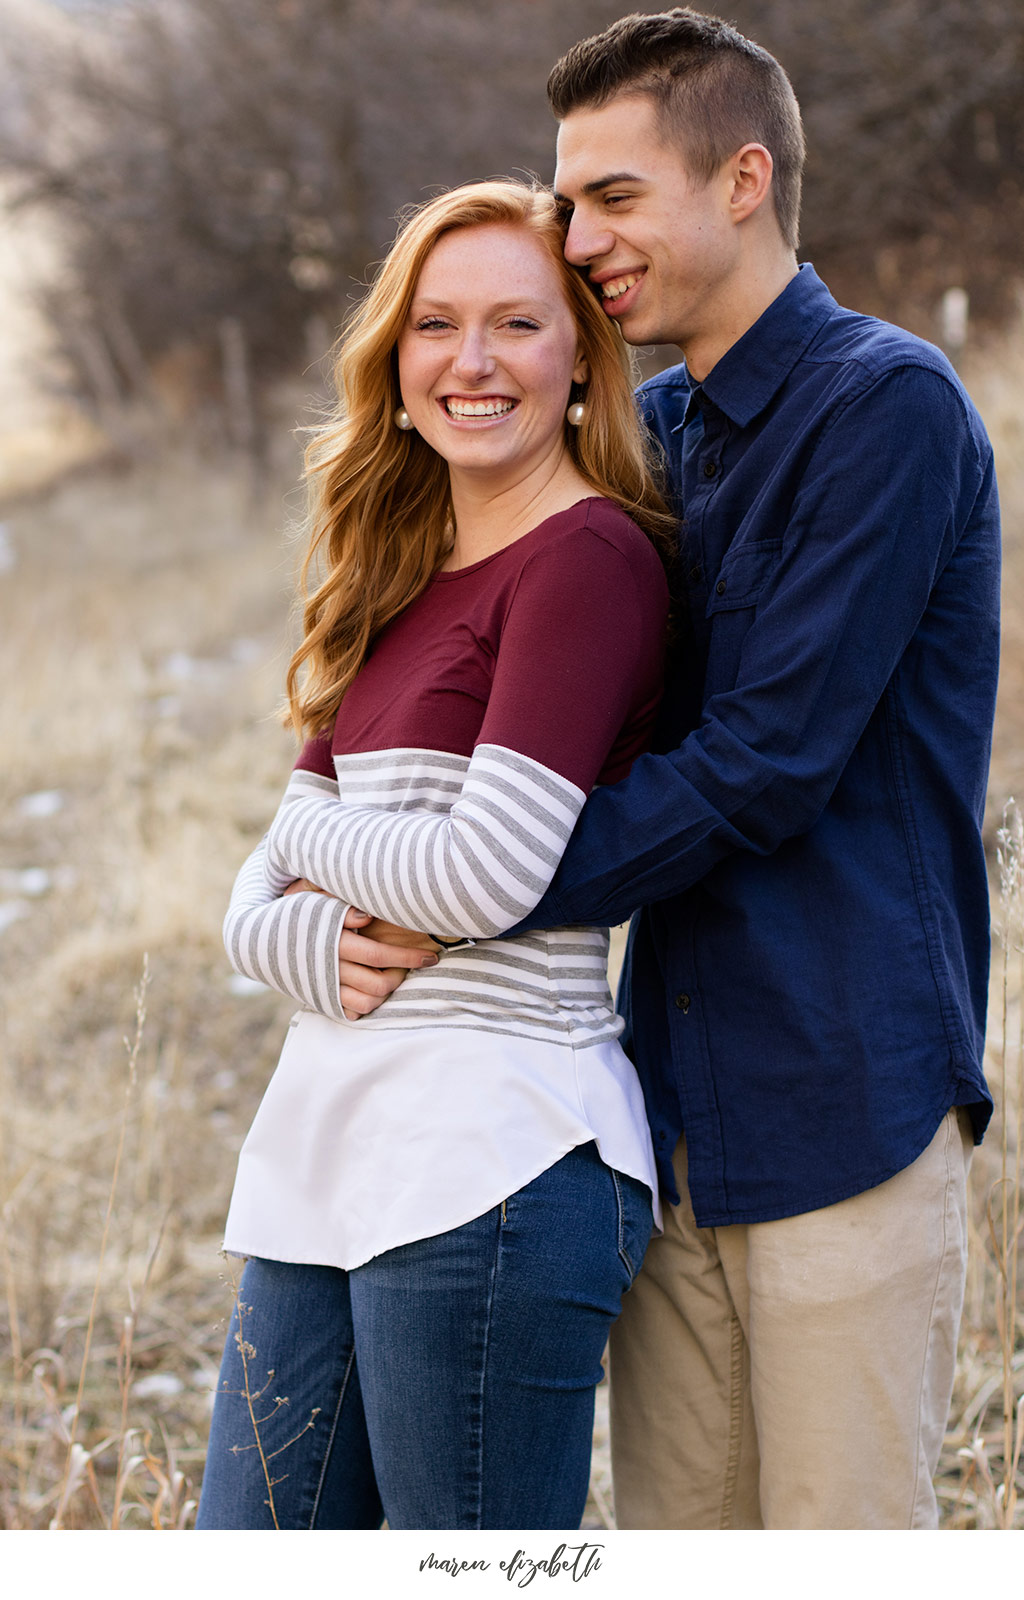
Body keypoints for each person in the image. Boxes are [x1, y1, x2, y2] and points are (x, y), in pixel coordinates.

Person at [335, 10, 1001, 1530]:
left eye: (615, 198)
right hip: (661, 1103)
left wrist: (467, 897)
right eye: (569, 202)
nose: (580, 239)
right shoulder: (664, 436)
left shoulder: (882, 409)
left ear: (745, 178)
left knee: (836, 1546)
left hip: (846, 1085)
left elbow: (765, 763)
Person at [195, 178, 676, 1531]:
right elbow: (249, 913)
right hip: (332, 1140)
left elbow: (482, 880)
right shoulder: (398, 577)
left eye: (515, 324)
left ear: (580, 354)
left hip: (492, 1158)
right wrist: (310, 925)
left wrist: (301, 833)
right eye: (436, 324)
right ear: (393, 360)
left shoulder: (586, 561)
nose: (470, 362)